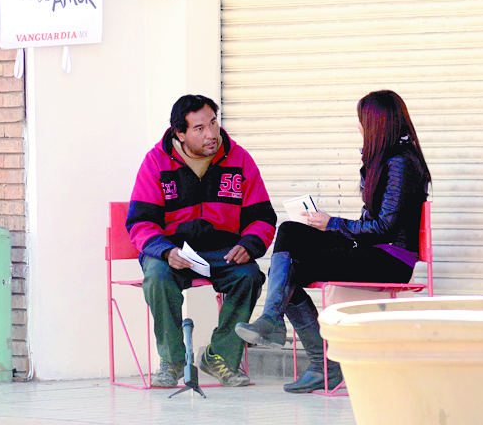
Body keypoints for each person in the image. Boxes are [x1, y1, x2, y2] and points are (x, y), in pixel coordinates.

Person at [235, 90, 431, 393]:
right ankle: (273, 320)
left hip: (392, 259)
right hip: (372, 249)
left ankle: (321, 362)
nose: (359, 128)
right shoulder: (382, 160)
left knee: (292, 269)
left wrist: (333, 224)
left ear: (378, 124)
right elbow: (373, 223)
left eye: (362, 121)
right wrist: (327, 226)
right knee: (290, 231)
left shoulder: (402, 163)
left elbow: (386, 228)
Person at [128, 95, 277, 387]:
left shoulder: (240, 159)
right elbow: (140, 222)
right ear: (179, 133)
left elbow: (263, 218)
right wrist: (164, 250)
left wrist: (249, 245)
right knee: (157, 278)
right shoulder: (155, 162)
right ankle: (172, 361)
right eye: (199, 128)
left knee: (249, 277)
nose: (211, 134)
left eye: (213, 123)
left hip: (221, 250)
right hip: (170, 251)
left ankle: (219, 356)